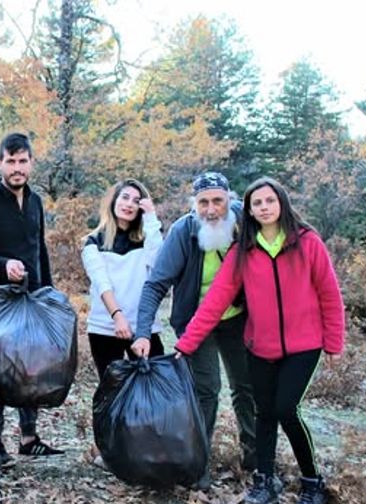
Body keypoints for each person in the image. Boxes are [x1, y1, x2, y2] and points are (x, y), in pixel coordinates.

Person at [175, 177, 344, 504]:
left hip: (304, 346)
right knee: (263, 412)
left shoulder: (307, 242)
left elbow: (329, 294)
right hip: (259, 346)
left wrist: (334, 343)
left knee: (286, 409)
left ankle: (312, 481)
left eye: (270, 201)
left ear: (281, 203)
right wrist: (187, 343)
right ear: (248, 211)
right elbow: (215, 301)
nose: (264, 208)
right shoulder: (244, 251)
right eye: (257, 203)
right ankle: (264, 481)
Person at [133, 171, 257, 488]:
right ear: (194, 204)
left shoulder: (246, 222)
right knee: (206, 391)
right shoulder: (183, 232)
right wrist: (143, 331)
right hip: (196, 324)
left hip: (238, 318)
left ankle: (254, 460)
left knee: (246, 388)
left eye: (218, 201)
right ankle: (197, 464)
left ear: (230, 199)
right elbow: (155, 285)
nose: (211, 209)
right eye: (203, 202)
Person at [0, 132, 64, 467]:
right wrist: (3, 265)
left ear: (31, 163)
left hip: (34, 297)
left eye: (23, 161)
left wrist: (48, 291)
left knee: (31, 367)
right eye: (11, 161)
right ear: (0, 163)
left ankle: (29, 437)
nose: (17, 168)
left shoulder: (35, 201)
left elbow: (41, 248)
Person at [81, 179, 165, 379]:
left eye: (136, 201)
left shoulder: (146, 239)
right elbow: (102, 283)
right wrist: (117, 317)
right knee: (113, 392)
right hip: (105, 326)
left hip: (144, 326)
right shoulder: (93, 242)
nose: (129, 204)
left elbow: (159, 263)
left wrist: (152, 217)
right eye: (125, 197)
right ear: (113, 201)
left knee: (155, 387)